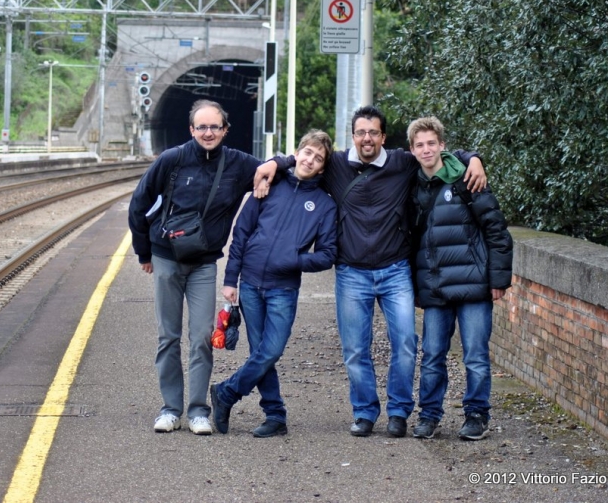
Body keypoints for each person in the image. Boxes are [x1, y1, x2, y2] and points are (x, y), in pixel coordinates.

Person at [254, 106, 487, 438]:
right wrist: (273, 162)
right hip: (351, 272)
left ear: (383, 137)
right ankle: (364, 412)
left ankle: (398, 412)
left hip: (395, 271)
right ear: (353, 136)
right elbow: (304, 156)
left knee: (405, 342)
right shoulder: (335, 164)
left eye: (373, 133)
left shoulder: (401, 162)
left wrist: (474, 158)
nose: (367, 138)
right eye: (361, 132)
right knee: (355, 349)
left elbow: (437, 151)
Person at [128, 99, 264, 435]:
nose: (207, 132)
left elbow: (279, 167)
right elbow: (139, 202)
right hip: (166, 257)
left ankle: (198, 410)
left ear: (225, 130)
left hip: (204, 263)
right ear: (191, 130)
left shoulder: (238, 164)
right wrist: (144, 253)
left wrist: (275, 166)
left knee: (203, 336)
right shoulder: (172, 159)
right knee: (168, 336)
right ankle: (170, 408)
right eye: (201, 127)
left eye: (214, 127)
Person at [211, 130, 338, 438]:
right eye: (307, 152)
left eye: (318, 158)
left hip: (283, 288)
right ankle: (275, 414)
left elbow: (327, 254)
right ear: (297, 153)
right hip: (251, 283)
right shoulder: (268, 185)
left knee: (270, 351)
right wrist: (231, 280)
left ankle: (227, 392)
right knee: (260, 351)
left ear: (323, 167)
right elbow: (241, 233)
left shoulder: (324, 205)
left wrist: (294, 260)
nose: (310, 160)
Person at [406, 116, 513, 440]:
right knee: (433, 355)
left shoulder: (468, 179)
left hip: (473, 285)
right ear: (412, 150)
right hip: (435, 286)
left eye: (431, 143)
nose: (426, 150)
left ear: (442, 145)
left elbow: (496, 230)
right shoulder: (410, 185)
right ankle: (429, 415)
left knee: (476, 355)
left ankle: (477, 414)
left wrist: (498, 280)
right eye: (419, 145)